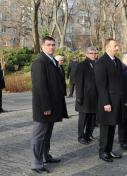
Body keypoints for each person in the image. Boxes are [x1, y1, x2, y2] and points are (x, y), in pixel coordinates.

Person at [30, 36, 68, 174]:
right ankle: (36, 163)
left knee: (47, 135)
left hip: (53, 106)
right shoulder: (40, 62)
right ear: (42, 46)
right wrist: (46, 107)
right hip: (44, 107)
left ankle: (46, 156)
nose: (51, 47)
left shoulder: (52, 61)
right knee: (39, 136)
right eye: (48, 45)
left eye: (53, 44)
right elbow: (40, 87)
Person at [94, 38, 125, 162]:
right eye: (115, 46)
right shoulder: (101, 62)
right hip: (107, 102)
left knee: (113, 126)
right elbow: (101, 85)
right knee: (106, 128)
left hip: (117, 101)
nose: (117, 48)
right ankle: (103, 152)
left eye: (117, 46)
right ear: (107, 47)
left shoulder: (117, 61)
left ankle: (109, 150)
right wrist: (106, 102)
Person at [75, 47, 99, 145]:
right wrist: (79, 97)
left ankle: (88, 134)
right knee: (83, 118)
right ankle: (80, 136)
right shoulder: (82, 65)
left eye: (95, 53)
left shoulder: (98, 64)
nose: (94, 55)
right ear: (86, 54)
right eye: (91, 53)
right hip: (85, 97)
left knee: (92, 118)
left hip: (96, 97)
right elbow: (79, 82)